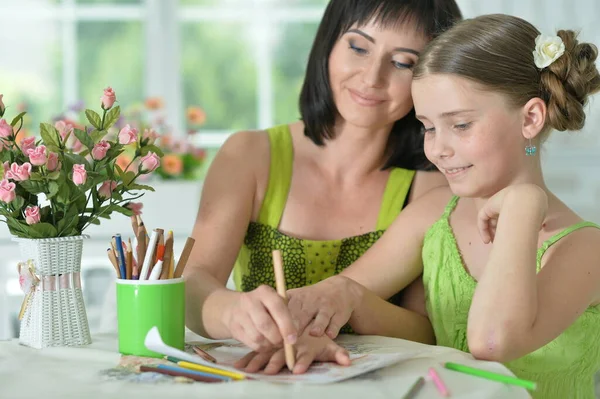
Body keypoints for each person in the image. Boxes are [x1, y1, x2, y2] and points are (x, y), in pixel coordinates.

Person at [242, 14, 600, 397]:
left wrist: (524, 206)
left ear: (530, 117)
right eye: (428, 127)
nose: (438, 149)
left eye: (460, 125)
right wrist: (313, 334)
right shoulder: (435, 213)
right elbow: (341, 292)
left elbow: (492, 343)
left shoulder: (584, 249)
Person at [183, 0, 462, 365]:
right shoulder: (249, 155)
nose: (372, 77)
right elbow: (191, 282)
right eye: (358, 47)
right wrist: (232, 312)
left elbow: (425, 330)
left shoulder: (431, 189)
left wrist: (351, 301)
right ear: (328, 42)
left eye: (403, 63)